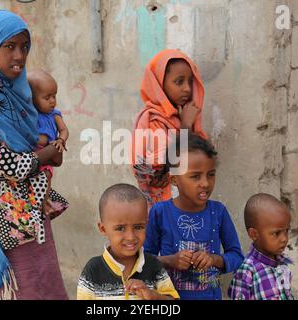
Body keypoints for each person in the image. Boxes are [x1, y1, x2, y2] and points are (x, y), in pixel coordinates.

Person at [0, 10, 68, 300]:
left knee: (48, 280)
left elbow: (41, 140)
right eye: (9, 46)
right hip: (8, 216)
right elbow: (10, 166)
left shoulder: (22, 93)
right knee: (25, 286)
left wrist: (48, 151)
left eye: (23, 46)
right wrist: (47, 154)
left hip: (35, 208)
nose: (19, 55)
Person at [144, 134, 244, 300]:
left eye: (211, 174)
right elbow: (144, 261)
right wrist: (170, 261)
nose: (205, 183)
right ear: (175, 179)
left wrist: (214, 259)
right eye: (195, 176)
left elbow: (237, 257)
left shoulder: (218, 213)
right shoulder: (160, 212)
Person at [132, 49, 208, 208]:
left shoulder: (178, 118)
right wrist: (186, 126)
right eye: (179, 82)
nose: (187, 88)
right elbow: (164, 168)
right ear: (159, 84)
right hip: (166, 208)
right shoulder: (153, 120)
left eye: (190, 81)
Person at [77, 184, 179, 300]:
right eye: (120, 228)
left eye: (138, 227)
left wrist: (153, 295)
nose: (131, 237)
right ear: (103, 229)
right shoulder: (93, 270)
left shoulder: (154, 265)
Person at [228, 193, 293, 300]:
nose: (284, 239)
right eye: (276, 233)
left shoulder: (282, 263)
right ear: (254, 234)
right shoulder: (247, 272)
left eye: (286, 231)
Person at [27, 69, 69, 152]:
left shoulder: (54, 115)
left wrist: (60, 140)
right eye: (47, 98)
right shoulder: (29, 113)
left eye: (54, 96)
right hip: (31, 151)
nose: (52, 101)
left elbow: (64, 130)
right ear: (32, 98)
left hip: (48, 150)